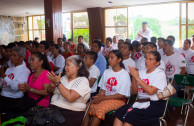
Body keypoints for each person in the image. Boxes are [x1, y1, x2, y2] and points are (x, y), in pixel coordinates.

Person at [114, 51, 167, 126]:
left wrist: (137, 77)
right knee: (120, 111)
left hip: (155, 104)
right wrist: (133, 77)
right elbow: (135, 92)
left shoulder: (159, 74)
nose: (147, 61)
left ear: (157, 63)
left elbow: (151, 92)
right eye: (146, 58)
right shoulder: (141, 72)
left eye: (150, 59)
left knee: (130, 116)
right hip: (140, 102)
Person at [83, 50, 131, 126]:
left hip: (118, 100)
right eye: (109, 58)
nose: (109, 60)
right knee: (87, 106)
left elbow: (121, 95)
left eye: (112, 58)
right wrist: (98, 97)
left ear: (119, 60)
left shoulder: (124, 74)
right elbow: (103, 90)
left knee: (100, 109)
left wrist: (103, 98)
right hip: (105, 98)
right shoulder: (107, 72)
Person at [47, 55, 91, 126]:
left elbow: (70, 97)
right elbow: (49, 91)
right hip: (53, 110)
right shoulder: (63, 78)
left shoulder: (83, 80)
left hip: (70, 114)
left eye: (68, 65)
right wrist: (52, 85)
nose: (65, 68)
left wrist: (58, 83)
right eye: (65, 65)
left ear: (78, 67)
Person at [0, 47, 30, 112]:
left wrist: (4, 76)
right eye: (11, 55)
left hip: (13, 100)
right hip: (3, 96)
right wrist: (1, 77)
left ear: (21, 58)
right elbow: (2, 85)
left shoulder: (25, 71)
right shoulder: (9, 69)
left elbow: (16, 87)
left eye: (14, 55)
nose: (11, 57)